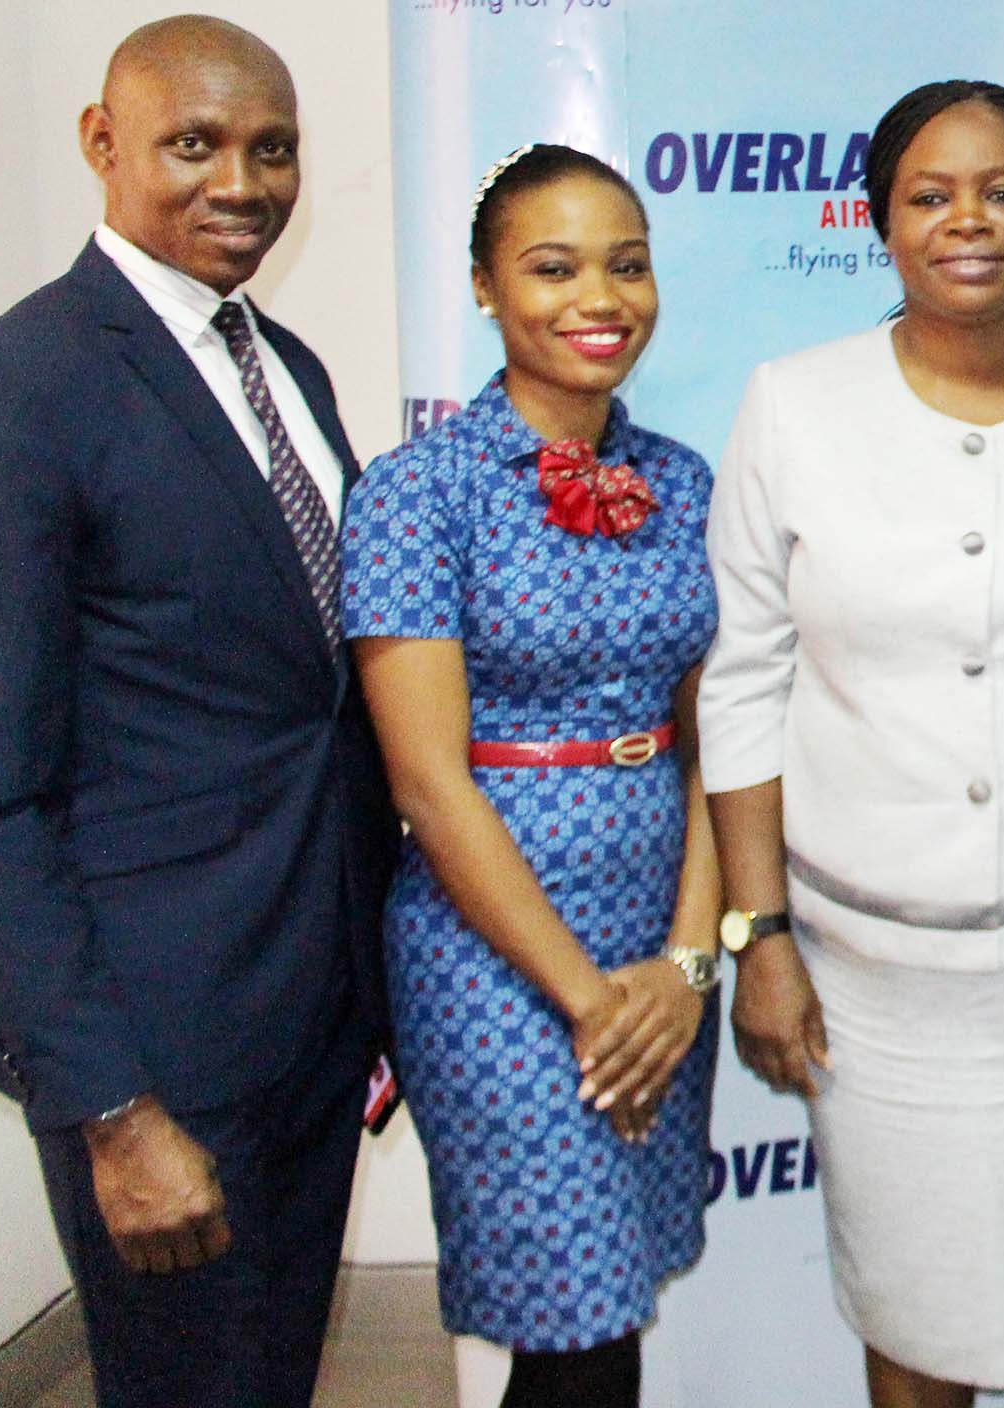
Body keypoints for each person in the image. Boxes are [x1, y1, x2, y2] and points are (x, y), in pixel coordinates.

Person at [0, 16, 396, 1408]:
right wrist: (111, 1109)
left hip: (311, 1013)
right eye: (194, 145)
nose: (241, 184)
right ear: (101, 143)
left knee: (267, 1382)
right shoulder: (15, 389)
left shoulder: (287, 366)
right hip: (155, 1044)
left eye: (273, 149)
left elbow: (314, 696)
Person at [703, 81, 1004, 1408]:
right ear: (883, 220)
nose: (970, 219)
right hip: (869, 978)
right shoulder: (794, 405)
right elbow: (742, 684)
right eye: (930, 193)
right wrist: (763, 938)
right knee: (910, 1312)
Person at [341, 144, 722, 1407]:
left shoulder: (684, 480)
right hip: (494, 955)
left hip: (657, 935)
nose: (596, 295)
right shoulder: (415, 494)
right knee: (573, 1320)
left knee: (610, 1320)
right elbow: (426, 779)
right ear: (484, 287)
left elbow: (710, 738)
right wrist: (588, 997)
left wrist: (681, 966)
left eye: (627, 262)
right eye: (552, 267)